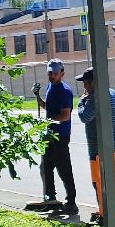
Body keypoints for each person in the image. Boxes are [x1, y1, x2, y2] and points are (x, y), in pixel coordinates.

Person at [77, 67, 115, 225]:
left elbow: (85, 116)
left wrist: (82, 101)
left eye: (85, 83)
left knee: (100, 183)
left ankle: (105, 215)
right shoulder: (114, 94)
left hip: (100, 148)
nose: (84, 87)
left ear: (93, 83)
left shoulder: (95, 97)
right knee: (111, 180)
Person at [27, 59, 78, 215]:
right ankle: (50, 199)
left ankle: (71, 203)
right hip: (49, 135)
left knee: (64, 169)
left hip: (60, 137)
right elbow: (47, 107)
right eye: (50, 72)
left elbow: (64, 116)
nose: (52, 75)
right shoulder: (50, 87)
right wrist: (37, 96)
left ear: (62, 73)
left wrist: (46, 121)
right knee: (45, 168)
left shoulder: (64, 91)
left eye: (55, 73)